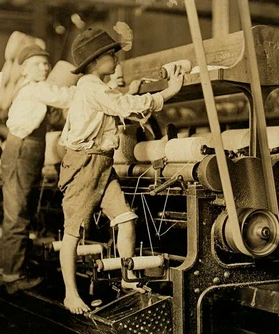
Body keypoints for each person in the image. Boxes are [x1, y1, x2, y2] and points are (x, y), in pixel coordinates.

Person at [58, 28, 184, 314]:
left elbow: (125, 105)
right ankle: (70, 294)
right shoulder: (91, 87)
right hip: (84, 164)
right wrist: (168, 92)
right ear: (94, 61)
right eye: (110, 55)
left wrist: (141, 93)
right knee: (73, 234)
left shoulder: (98, 87)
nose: (116, 60)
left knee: (126, 219)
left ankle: (127, 279)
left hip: (102, 163)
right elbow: (125, 105)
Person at [0, 44, 75, 294]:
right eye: (37, 64)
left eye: (45, 63)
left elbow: (53, 117)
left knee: (16, 212)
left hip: (22, 150)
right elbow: (66, 97)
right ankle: (13, 277)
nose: (44, 67)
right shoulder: (36, 88)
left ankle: (3, 269)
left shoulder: (27, 89)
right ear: (24, 70)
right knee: (18, 214)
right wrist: (93, 87)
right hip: (23, 151)